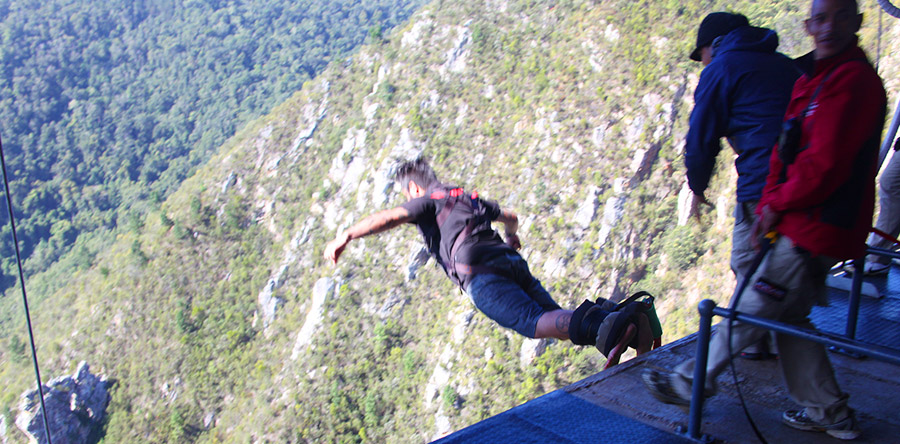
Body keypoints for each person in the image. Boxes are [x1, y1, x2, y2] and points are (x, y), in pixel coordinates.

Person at [644, 0, 886, 440]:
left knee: (751, 307)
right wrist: (770, 205)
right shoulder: (809, 76)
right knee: (787, 315)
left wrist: (770, 204)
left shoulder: (851, 84)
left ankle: (687, 383)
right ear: (808, 25)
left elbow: (824, 164)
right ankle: (829, 412)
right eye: (820, 19)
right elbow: (784, 151)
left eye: (839, 16)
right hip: (796, 215)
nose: (828, 28)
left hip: (816, 221)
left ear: (857, 21)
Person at [323, 158, 655, 368]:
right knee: (559, 323)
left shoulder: (424, 201)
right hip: (510, 261)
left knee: (533, 322)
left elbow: (391, 218)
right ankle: (614, 317)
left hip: (480, 273)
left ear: (412, 187)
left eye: (408, 194)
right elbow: (511, 217)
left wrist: (347, 235)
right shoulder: (465, 196)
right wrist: (512, 237)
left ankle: (604, 325)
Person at [684, 11, 801, 360]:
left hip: (762, 185)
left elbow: (700, 139)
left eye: (700, 54)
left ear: (713, 45)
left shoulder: (720, 69)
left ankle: (746, 347)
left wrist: (698, 187)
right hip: (801, 184)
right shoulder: (785, 65)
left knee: (747, 261)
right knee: (772, 269)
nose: (701, 62)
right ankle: (762, 338)